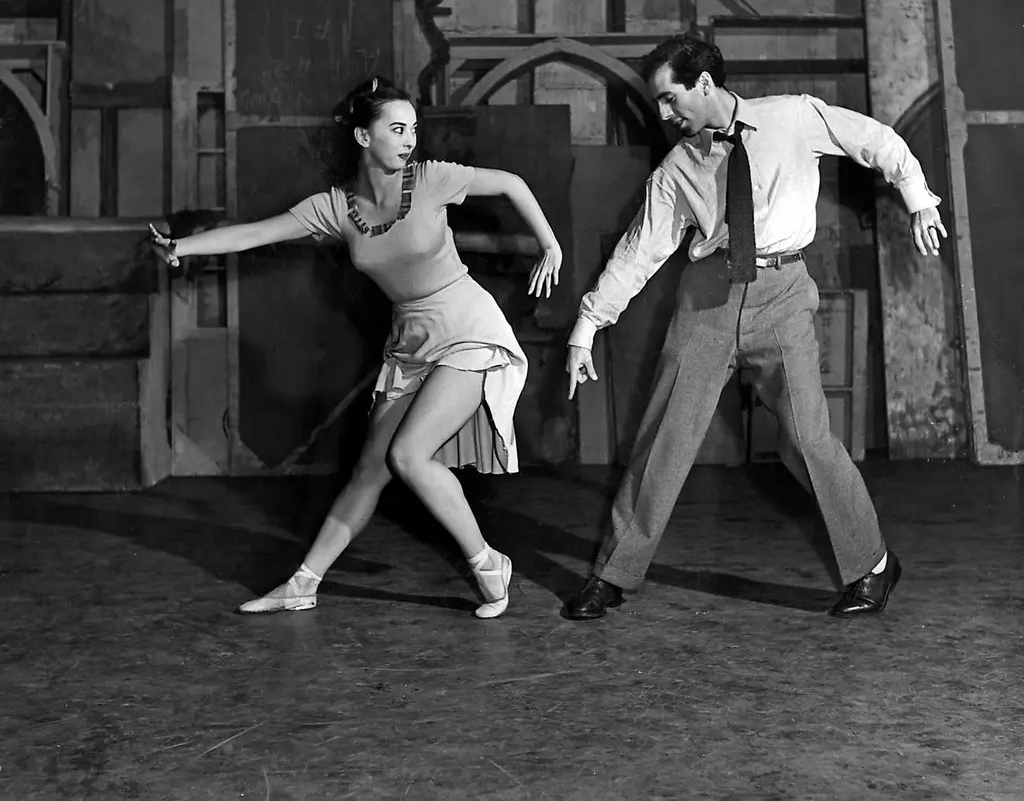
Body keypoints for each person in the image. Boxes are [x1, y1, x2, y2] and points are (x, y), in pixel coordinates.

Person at [563, 33, 947, 621]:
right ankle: (612, 574)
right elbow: (638, 252)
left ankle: (872, 564)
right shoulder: (677, 168)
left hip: (782, 294)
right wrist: (587, 325)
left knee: (809, 438)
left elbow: (877, 139)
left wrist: (919, 198)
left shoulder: (793, 118)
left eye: (670, 99)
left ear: (705, 84)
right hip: (707, 301)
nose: (664, 114)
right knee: (664, 437)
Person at [150, 76, 562, 619]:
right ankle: (304, 582)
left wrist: (549, 244)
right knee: (372, 469)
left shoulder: (432, 180)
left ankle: (488, 562)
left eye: (413, 129)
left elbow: (510, 182)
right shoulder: (338, 208)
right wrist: (182, 247)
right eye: (396, 129)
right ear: (364, 137)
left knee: (408, 456)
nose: (410, 139)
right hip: (410, 341)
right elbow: (256, 233)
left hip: (467, 327)